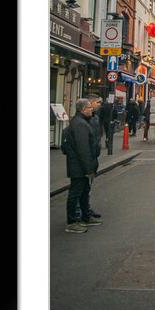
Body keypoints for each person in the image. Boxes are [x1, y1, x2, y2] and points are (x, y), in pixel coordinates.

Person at [63, 99, 102, 233]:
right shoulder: (80, 124)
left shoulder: (82, 122)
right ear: (83, 109)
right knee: (76, 193)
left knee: (84, 192)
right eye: (90, 107)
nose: (92, 109)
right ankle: (72, 222)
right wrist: (89, 168)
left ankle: (86, 216)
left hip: (82, 165)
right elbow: (83, 148)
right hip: (79, 166)